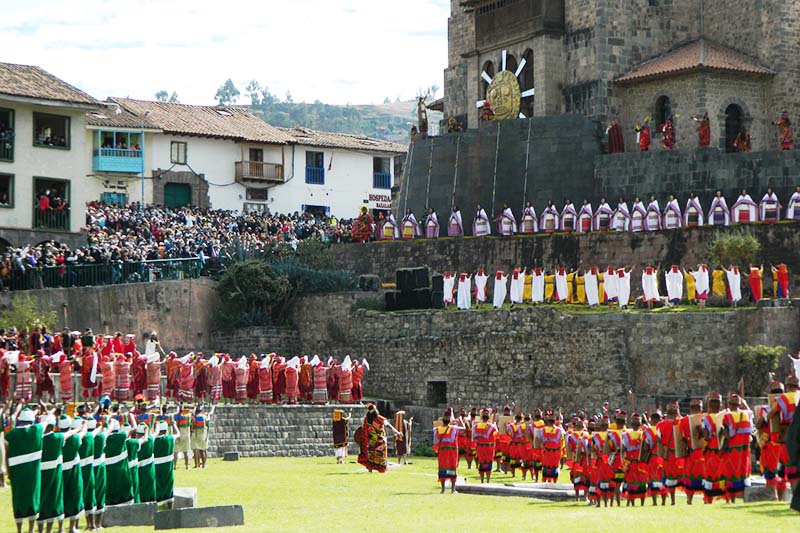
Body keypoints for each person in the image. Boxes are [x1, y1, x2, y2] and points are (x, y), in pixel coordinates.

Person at [7, 407, 44, 533]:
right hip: (33, 472)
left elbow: (7, 454)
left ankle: (19, 530)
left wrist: (9, 472)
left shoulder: (11, 434)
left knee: (18, 498)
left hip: (16, 472)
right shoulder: (37, 430)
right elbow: (45, 422)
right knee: (33, 498)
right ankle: (31, 530)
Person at [759, 382, 789, 501]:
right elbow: (759, 425)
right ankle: (775, 497)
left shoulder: (787, 406)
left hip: (782, 443)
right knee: (772, 472)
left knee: (782, 471)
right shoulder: (765, 409)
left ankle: (779, 498)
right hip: (771, 443)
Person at [721, 393, 752, 502]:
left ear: (729, 403)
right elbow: (750, 411)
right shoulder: (746, 414)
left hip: (732, 449)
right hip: (744, 450)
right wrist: (745, 404)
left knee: (731, 472)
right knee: (743, 472)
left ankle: (731, 499)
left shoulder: (727, 416)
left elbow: (727, 435)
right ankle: (743, 497)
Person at [679, 399, 705, 504]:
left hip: (692, 452)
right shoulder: (705, 418)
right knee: (702, 475)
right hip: (700, 452)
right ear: (701, 409)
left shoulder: (684, 420)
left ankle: (689, 500)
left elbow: (681, 437)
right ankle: (705, 499)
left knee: (691, 476)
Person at [105, 419, 135, 507]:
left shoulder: (103, 437)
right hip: (122, 470)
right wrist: (132, 418)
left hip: (108, 471)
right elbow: (134, 428)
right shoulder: (122, 435)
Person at [656, 402, 682, 505]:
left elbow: (658, 441)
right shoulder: (682, 422)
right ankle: (673, 501)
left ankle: (666, 501)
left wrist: (659, 456)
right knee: (671, 477)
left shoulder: (661, 424)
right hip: (677, 454)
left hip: (667, 454)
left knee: (666, 477)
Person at [62, 417, 84, 533]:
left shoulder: (57, 438)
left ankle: (60, 527)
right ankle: (72, 527)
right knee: (74, 498)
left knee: (59, 499)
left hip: (59, 473)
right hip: (73, 473)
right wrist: (82, 427)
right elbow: (83, 433)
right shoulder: (75, 438)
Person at [433, 408, 461, 493]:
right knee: (452, 467)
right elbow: (462, 428)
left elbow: (436, 442)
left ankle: (443, 489)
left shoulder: (436, 430)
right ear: (449, 420)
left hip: (442, 452)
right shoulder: (454, 428)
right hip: (452, 452)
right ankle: (453, 489)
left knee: (442, 467)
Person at [622, 413, 646, 506]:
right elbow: (623, 449)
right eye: (635, 423)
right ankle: (633, 503)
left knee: (641, 482)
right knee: (633, 482)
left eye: (637, 423)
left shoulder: (644, 434)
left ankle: (640, 503)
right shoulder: (626, 435)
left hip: (639, 462)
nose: (636, 424)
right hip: (632, 462)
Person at [357, 403, 388, 473]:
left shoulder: (366, 419)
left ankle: (370, 468)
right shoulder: (379, 418)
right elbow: (388, 425)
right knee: (380, 455)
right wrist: (397, 432)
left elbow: (364, 430)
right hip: (380, 440)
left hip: (370, 441)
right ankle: (381, 468)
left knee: (371, 454)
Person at [472, 408, 498, 483]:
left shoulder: (491, 426)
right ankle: (483, 481)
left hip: (488, 447)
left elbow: (496, 436)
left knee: (487, 462)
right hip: (483, 447)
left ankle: (486, 481)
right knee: (482, 462)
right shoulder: (477, 426)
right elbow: (474, 438)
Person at [538, 410, 564, 483]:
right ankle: (552, 482)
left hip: (549, 451)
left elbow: (540, 441)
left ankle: (547, 481)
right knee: (551, 466)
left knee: (549, 466)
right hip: (553, 452)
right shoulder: (559, 430)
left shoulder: (542, 430)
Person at [191, 404, 213, 469]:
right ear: (202, 410)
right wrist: (212, 409)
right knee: (202, 450)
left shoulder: (193, 417)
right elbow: (209, 417)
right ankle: (204, 464)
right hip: (202, 434)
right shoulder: (204, 417)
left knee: (195, 450)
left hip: (194, 434)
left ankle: (196, 465)